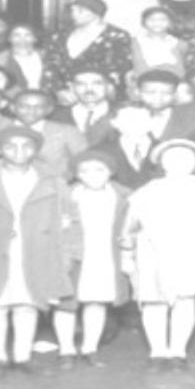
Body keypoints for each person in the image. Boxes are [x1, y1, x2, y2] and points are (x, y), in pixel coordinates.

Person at [0, 126, 76, 375]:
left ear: (36, 150)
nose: (19, 151)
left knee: (27, 304)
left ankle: (23, 356)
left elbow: (69, 217)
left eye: (27, 146)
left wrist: (68, 252)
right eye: (10, 146)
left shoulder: (52, 179)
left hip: (36, 249)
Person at [124, 137, 195, 365]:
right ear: (162, 163)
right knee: (154, 302)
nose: (179, 162)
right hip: (154, 253)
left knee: (185, 301)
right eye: (172, 158)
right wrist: (126, 255)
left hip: (192, 251)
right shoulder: (148, 191)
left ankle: (178, 351)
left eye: (186, 158)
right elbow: (130, 227)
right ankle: (158, 351)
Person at [52, 148, 132, 363]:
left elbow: (131, 227)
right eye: (84, 171)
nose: (92, 175)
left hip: (105, 256)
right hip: (73, 256)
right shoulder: (67, 195)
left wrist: (128, 251)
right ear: (77, 174)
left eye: (99, 170)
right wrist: (60, 226)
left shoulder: (122, 196)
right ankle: (66, 349)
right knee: (66, 304)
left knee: (96, 302)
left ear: (110, 172)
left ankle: (90, 347)